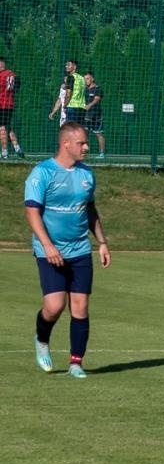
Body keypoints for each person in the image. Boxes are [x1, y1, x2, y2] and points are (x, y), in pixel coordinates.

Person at [23, 122, 111, 379]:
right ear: (66, 144)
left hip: (80, 249)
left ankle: (76, 363)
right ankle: (41, 339)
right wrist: (48, 245)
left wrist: (102, 242)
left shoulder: (87, 175)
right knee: (54, 306)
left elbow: (91, 210)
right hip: (49, 249)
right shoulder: (42, 173)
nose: (86, 147)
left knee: (80, 306)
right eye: (82, 143)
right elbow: (32, 213)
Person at [49, 60, 88, 126]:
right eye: (66, 65)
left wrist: (64, 106)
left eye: (68, 65)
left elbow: (68, 94)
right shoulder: (82, 78)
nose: (66, 66)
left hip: (72, 108)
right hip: (82, 109)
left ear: (74, 67)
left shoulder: (70, 78)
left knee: (69, 132)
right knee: (78, 132)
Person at [0, 56, 21, 160]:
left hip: (1, 105)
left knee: (2, 128)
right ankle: (17, 147)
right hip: (10, 105)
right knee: (8, 127)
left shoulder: (1, 76)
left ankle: (4, 152)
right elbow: (17, 86)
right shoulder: (11, 74)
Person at [82, 72, 105, 157]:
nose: (86, 81)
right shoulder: (85, 89)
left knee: (99, 134)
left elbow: (97, 99)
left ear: (92, 79)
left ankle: (102, 153)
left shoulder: (97, 89)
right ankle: (84, 152)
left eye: (87, 79)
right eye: (84, 79)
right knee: (84, 134)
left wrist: (89, 105)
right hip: (85, 116)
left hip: (96, 115)